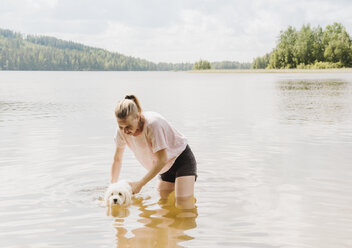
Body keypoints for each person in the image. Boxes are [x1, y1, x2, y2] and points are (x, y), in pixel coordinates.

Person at [110, 94, 197, 209]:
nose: (125, 131)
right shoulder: (121, 131)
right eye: (121, 126)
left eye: (128, 126)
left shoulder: (152, 124)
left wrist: (140, 184)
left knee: (182, 204)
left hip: (181, 161)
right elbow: (117, 159)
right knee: (164, 204)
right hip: (163, 168)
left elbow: (162, 159)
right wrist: (112, 187)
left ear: (137, 117)